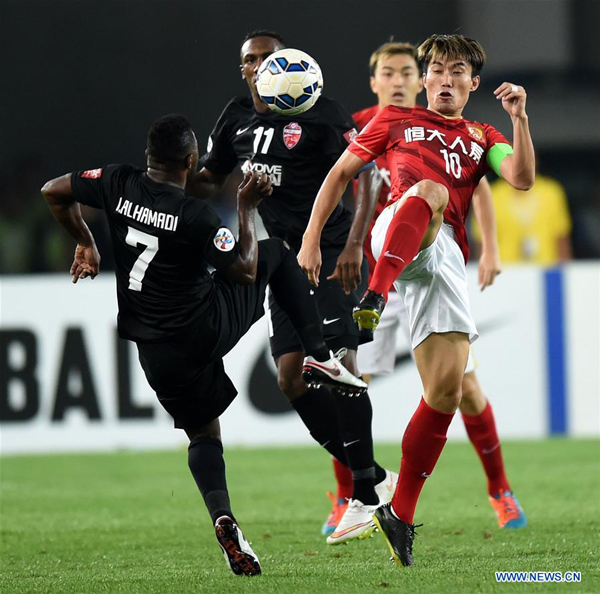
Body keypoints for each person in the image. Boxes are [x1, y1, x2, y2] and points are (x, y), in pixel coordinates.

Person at [41, 114, 368, 576]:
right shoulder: (193, 214)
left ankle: (224, 519)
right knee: (274, 253)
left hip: (154, 348)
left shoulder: (116, 181)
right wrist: (246, 207)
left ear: (148, 156)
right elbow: (247, 270)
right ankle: (318, 355)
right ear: (192, 161)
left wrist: (86, 242)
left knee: (203, 434)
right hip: (203, 328)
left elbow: (53, 191)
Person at [298, 34, 535, 567]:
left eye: (458, 72)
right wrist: (312, 238)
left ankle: (398, 515)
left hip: (442, 257)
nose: (445, 79)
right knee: (427, 192)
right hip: (396, 233)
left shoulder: (482, 134)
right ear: (424, 79)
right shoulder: (392, 121)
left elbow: (520, 178)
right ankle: (374, 303)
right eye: (437, 70)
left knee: (447, 392)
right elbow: (340, 174)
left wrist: (519, 119)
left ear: (474, 84)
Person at [188, 30, 397, 545]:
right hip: (281, 261)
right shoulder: (236, 118)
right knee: (289, 379)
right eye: (252, 60)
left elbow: (367, 176)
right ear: (243, 70)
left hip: (328, 256)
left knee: (341, 370)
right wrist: (164, 180)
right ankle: (371, 476)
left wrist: (353, 246)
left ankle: (365, 495)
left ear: (289, 63)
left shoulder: (322, 114)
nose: (261, 65)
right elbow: (209, 180)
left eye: (270, 57)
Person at [472, 171, 572, 264]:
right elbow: (482, 243)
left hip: (546, 270)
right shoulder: (491, 195)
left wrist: (565, 274)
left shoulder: (551, 192)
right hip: (505, 272)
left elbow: (561, 238)